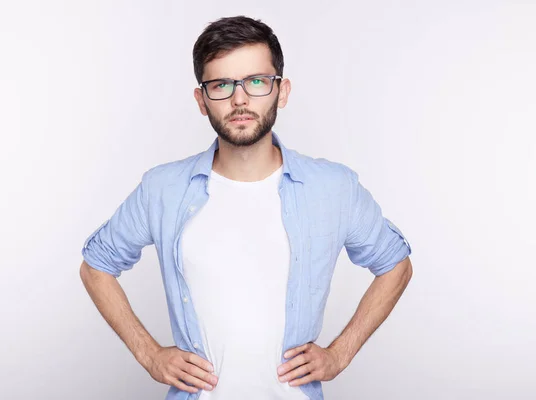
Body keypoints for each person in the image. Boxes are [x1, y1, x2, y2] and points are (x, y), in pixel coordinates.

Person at [80, 15, 413, 400]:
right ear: (202, 101)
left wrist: (340, 354)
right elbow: (96, 266)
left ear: (281, 91)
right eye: (221, 85)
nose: (240, 99)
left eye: (256, 81)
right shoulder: (163, 188)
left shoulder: (333, 188)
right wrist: (150, 354)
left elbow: (396, 265)